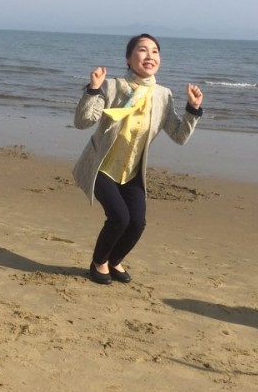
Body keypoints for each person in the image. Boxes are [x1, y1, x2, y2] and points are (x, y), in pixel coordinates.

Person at [73, 33, 203, 285]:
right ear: (128, 58)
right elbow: (83, 121)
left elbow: (179, 136)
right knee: (120, 218)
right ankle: (99, 262)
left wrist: (193, 109)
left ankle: (114, 260)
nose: (150, 56)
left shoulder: (163, 95)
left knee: (137, 224)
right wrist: (93, 90)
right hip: (102, 166)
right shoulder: (112, 86)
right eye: (142, 50)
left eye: (155, 51)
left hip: (132, 171)